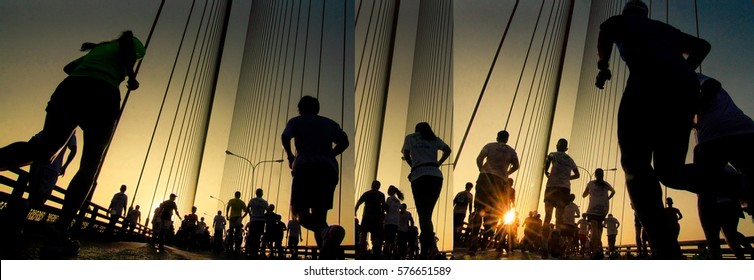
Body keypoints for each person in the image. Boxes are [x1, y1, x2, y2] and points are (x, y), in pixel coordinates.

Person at [0, 31, 145, 257]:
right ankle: (61, 229)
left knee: (43, 150)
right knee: (89, 166)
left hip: (71, 88)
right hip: (103, 95)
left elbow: (68, 68)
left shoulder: (99, 48)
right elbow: (129, 55)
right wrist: (130, 76)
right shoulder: (133, 44)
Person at [595, 0, 710, 258]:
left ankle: (666, 250)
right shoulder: (663, 28)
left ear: (626, 13)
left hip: (646, 86)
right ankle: (740, 185)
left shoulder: (621, 21)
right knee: (670, 171)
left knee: (635, 165)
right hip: (684, 92)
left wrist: (603, 67)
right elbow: (703, 46)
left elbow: (605, 33)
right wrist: (681, 71)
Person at [281, 95, 349, 260]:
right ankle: (325, 258)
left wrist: (290, 156)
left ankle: (327, 232)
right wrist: (330, 154)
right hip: (328, 170)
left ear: (300, 109)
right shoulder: (330, 123)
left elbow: (285, 136)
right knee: (320, 217)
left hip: (305, 168)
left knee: (298, 212)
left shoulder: (296, 121)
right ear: (317, 109)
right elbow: (345, 142)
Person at [401, 122, 451, 259]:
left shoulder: (410, 138)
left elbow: (406, 154)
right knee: (426, 214)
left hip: (419, 176)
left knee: (423, 214)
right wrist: (438, 163)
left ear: (416, 129)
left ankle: (432, 248)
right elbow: (448, 150)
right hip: (435, 176)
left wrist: (413, 166)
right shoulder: (433, 138)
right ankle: (426, 251)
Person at [469, 130, 519, 254]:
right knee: (494, 210)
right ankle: (488, 229)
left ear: (497, 137)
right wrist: (506, 173)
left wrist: (482, 169)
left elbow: (479, 158)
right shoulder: (511, 151)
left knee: (478, 210)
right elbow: (516, 165)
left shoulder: (489, 146)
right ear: (507, 139)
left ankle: (473, 243)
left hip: (485, 178)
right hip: (499, 180)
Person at [542, 138, 579, 256]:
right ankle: (555, 245)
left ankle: (544, 247)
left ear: (557, 146)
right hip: (564, 190)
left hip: (552, 188)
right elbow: (577, 175)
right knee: (559, 219)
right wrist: (567, 178)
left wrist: (546, 171)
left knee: (547, 217)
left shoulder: (553, 154)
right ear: (566, 148)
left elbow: (547, 163)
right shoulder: (570, 159)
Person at [582, 168, 616, 259]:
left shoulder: (591, 183)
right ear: (603, 175)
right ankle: (598, 247)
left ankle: (596, 249)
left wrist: (590, 192)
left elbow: (583, 195)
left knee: (594, 229)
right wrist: (607, 198)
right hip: (603, 209)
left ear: (595, 175)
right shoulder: (606, 184)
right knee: (599, 228)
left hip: (593, 208)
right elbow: (613, 192)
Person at [355, 180, 386, 259]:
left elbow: (359, 202)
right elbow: (383, 206)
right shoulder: (381, 195)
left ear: (372, 185)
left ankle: (363, 253)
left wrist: (355, 211)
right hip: (376, 218)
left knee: (363, 235)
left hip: (367, 217)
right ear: (379, 187)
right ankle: (375, 253)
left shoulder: (367, 193)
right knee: (375, 236)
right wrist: (382, 216)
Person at [383, 185, 404, 259]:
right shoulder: (397, 200)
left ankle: (387, 254)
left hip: (389, 221)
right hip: (395, 222)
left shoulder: (389, 199)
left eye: (389, 189)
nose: (388, 190)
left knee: (387, 239)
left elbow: (387, 209)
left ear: (392, 191)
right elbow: (402, 210)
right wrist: (397, 214)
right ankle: (395, 253)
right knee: (392, 239)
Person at [247, 188, 268, 259]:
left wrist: (250, 214)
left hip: (254, 220)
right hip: (261, 221)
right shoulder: (264, 202)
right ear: (262, 194)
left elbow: (248, 208)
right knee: (258, 237)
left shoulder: (252, 200)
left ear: (256, 193)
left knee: (252, 237)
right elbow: (268, 211)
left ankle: (251, 252)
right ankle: (256, 252)